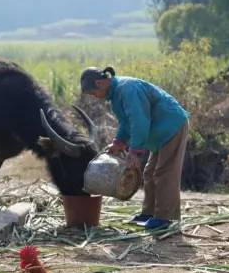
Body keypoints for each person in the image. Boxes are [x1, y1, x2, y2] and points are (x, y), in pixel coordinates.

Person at [80, 66, 189, 230]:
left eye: (93, 93)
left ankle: (165, 218)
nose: (95, 97)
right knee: (149, 173)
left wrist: (135, 152)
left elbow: (139, 122)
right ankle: (149, 213)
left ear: (99, 83)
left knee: (164, 173)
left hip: (171, 127)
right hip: (159, 133)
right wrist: (119, 142)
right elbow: (126, 123)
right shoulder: (116, 95)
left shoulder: (128, 89)